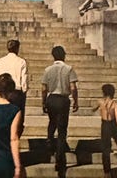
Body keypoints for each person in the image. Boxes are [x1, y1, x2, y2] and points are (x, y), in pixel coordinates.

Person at [41, 46, 78, 178]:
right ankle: (60, 159)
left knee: (52, 121)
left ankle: (50, 140)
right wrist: (76, 101)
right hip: (63, 99)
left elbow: (44, 88)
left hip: (51, 98)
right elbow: (73, 87)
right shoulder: (69, 69)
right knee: (62, 130)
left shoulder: (47, 70)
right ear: (64, 55)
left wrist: (43, 102)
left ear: (53, 56)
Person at [0, 39, 28, 135]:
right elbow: (24, 81)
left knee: (3, 119)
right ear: (17, 48)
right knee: (17, 120)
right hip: (16, 93)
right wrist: (23, 92)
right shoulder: (21, 62)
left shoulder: (0, 61)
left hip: (3, 93)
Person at [92, 84, 117, 178]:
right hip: (113, 125)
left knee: (106, 149)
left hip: (105, 125)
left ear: (103, 92)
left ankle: (107, 172)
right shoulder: (115, 103)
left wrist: (100, 106)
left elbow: (93, 109)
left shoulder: (100, 101)